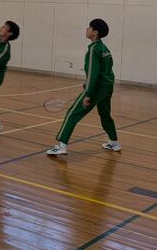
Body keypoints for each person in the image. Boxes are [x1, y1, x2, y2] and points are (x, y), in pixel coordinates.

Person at [47, 18, 120, 156]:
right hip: (107, 87)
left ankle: (61, 146)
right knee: (105, 114)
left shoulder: (93, 50)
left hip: (96, 89)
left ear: (95, 33)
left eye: (89, 27)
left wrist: (88, 93)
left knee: (72, 113)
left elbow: (93, 73)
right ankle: (114, 143)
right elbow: (107, 71)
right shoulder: (104, 49)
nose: (87, 29)